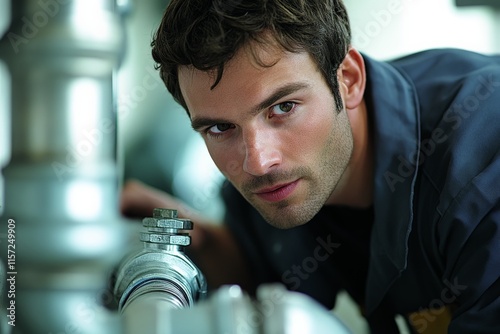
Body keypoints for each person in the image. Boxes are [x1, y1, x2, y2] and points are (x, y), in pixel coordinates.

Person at [120, 0, 500, 332]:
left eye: (283, 108)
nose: (258, 161)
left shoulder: (480, 171)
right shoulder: (278, 181)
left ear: (348, 79)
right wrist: (192, 235)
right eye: (220, 127)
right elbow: (258, 270)